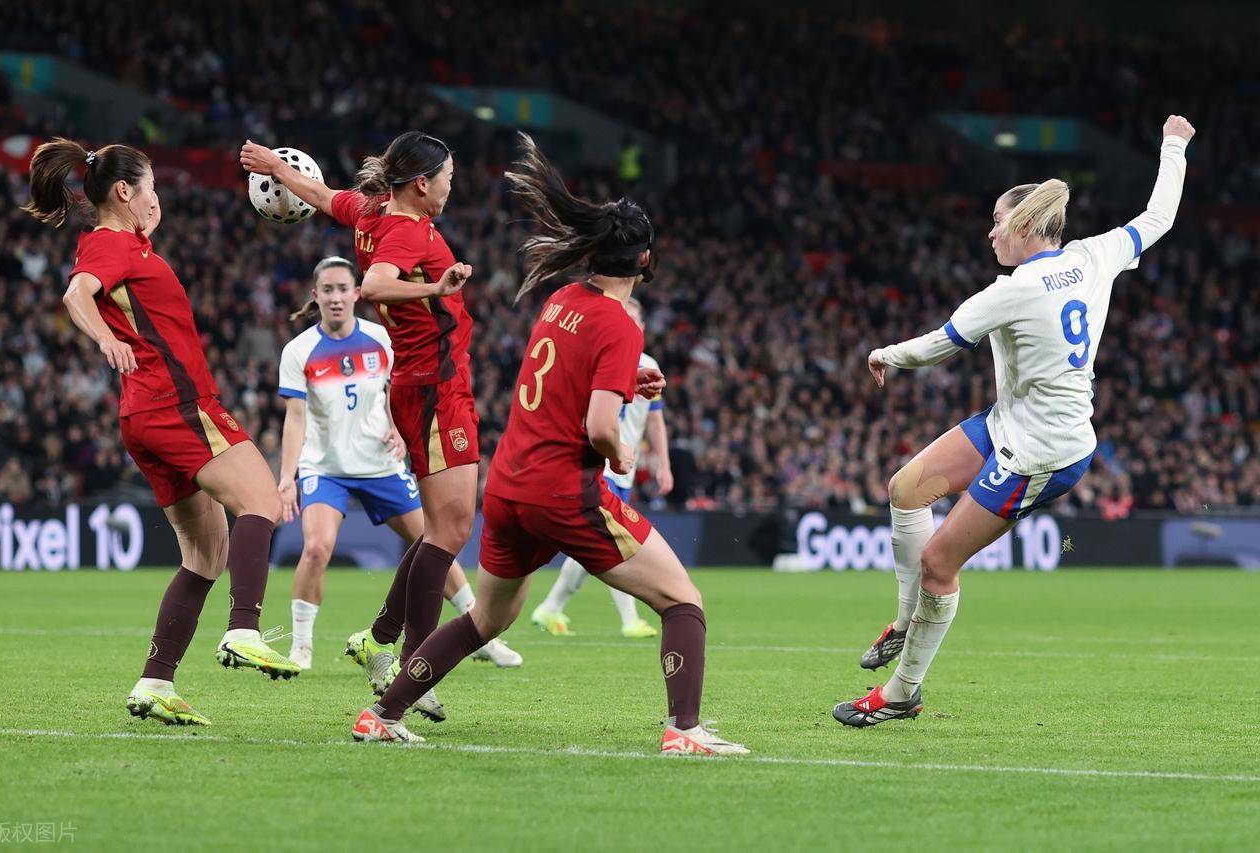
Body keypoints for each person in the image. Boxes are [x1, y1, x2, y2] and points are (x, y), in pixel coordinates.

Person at [349, 133, 749, 756]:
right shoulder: (620, 324)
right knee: (682, 601)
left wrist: (624, 381)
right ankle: (685, 730)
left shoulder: (563, 300)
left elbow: (561, 375)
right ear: (645, 261)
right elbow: (598, 426)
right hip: (563, 492)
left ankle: (383, 712)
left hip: (510, 487)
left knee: (487, 618)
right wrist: (618, 452)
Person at [833, 115, 1195, 727]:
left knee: (938, 565)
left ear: (1025, 225)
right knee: (905, 489)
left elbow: (941, 344)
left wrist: (884, 354)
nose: (991, 231)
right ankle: (903, 620)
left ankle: (901, 693)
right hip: (1010, 421)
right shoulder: (1094, 255)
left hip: (1042, 452)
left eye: (998, 221)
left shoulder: (1013, 289)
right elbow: (1159, 216)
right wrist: (1173, 146)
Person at [25, 138, 295, 727]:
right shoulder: (111, 244)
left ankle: (155, 681)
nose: (157, 196)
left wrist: (146, 227)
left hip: (143, 415)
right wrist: (105, 339)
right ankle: (243, 629)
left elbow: (116, 280)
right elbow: (75, 293)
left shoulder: (125, 244)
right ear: (124, 191)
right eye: (150, 186)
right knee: (263, 501)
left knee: (206, 554)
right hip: (177, 404)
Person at [241, 133, 477, 715]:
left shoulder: (370, 211)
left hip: (430, 384)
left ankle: (381, 641)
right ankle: (412, 668)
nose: (451, 187)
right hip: (433, 388)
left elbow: (323, 196)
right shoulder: (407, 231)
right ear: (421, 183)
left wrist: (277, 167)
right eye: (447, 177)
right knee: (448, 532)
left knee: (439, 531)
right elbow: (372, 285)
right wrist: (436, 286)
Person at [277, 256, 522, 681]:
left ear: (357, 293)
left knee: (435, 539)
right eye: (327, 290)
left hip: (381, 464)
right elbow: (295, 418)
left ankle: (480, 631)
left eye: (343, 289)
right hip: (326, 466)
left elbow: (402, 389)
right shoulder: (298, 350)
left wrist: (398, 429)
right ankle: (301, 646)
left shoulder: (380, 340)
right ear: (315, 296)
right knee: (316, 548)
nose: (336, 297)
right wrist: (287, 477)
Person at [530, 296, 671, 638]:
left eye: (635, 320)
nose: (630, 324)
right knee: (613, 540)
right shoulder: (602, 357)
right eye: (625, 318)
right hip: (601, 461)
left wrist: (663, 465)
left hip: (624, 465)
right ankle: (629, 619)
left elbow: (655, 421)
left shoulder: (649, 364)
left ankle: (550, 608)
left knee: (595, 543)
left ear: (643, 327)